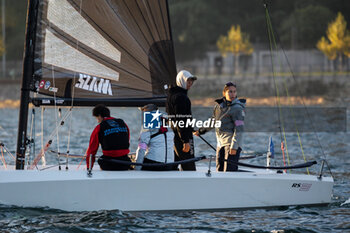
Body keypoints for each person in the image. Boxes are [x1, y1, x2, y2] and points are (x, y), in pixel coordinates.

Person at [194, 82, 245, 172]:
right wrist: (200, 131)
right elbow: (213, 121)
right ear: (224, 93)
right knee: (219, 171)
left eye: (234, 92)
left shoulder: (238, 108)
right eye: (230, 92)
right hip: (220, 145)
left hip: (231, 145)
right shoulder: (218, 107)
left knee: (229, 173)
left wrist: (234, 147)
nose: (233, 94)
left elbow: (240, 130)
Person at [166, 70, 197, 171]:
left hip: (174, 135)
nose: (190, 84)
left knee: (174, 163)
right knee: (189, 166)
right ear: (181, 80)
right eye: (188, 81)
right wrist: (186, 141)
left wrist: (191, 129)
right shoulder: (181, 98)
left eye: (191, 81)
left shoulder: (171, 95)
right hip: (182, 137)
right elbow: (181, 120)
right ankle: (191, 185)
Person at [86, 104, 131, 171]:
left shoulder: (99, 127)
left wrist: (89, 167)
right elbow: (127, 139)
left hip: (109, 163)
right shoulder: (123, 123)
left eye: (96, 118)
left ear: (99, 116)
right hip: (125, 163)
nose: (97, 121)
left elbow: (92, 150)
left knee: (101, 160)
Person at [135, 104, 174, 171]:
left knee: (135, 160)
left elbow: (142, 149)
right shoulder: (169, 125)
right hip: (169, 165)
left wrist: (137, 169)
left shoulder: (148, 125)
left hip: (154, 164)